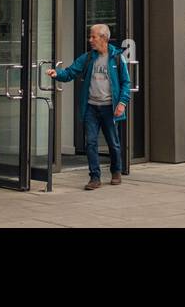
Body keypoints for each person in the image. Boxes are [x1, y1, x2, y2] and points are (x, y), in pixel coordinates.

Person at [47, 23, 131, 190]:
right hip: (91, 107)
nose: (90, 40)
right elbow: (70, 72)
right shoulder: (87, 58)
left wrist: (122, 102)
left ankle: (116, 171)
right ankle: (95, 177)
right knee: (90, 143)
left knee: (113, 143)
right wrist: (57, 74)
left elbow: (126, 83)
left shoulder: (117, 58)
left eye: (93, 37)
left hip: (109, 107)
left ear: (104, 38)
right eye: (90, 36)